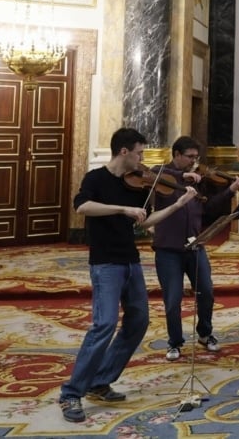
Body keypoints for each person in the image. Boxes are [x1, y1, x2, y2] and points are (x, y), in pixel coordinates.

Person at [58, 127, 198, 423]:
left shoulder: (138, 186)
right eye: (139, 153)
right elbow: (82, 206)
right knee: (104, 324)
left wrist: (177, 204)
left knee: (139, 321)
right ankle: (71, 392)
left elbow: (147, 224)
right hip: (105, 263)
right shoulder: (95, 179)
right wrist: (122, 209)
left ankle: (101, 380)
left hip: (131, 262)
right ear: (124, 152)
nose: (143, 159)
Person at [151, 136, 239, 360]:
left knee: (207, 292)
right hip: (168, 249)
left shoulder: (198, 179)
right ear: (176, 155)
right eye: (190, 157)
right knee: (173, 299)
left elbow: (209, 207)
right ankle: (174, 342)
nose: (195, 162)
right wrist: (180, 175)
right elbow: (152, 173)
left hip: (196, 247)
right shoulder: (163, 175)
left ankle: (205, 334)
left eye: (197, 157)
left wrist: (231, 189)